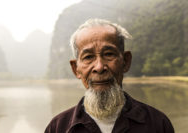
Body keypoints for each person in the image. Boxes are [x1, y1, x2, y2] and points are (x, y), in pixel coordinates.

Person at [45, 19, 174, 133]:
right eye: (88, 57)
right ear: (76, 69)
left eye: (108, 54)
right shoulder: (58, 128)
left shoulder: (158, 124)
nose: (99, 67)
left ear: (125, 61)